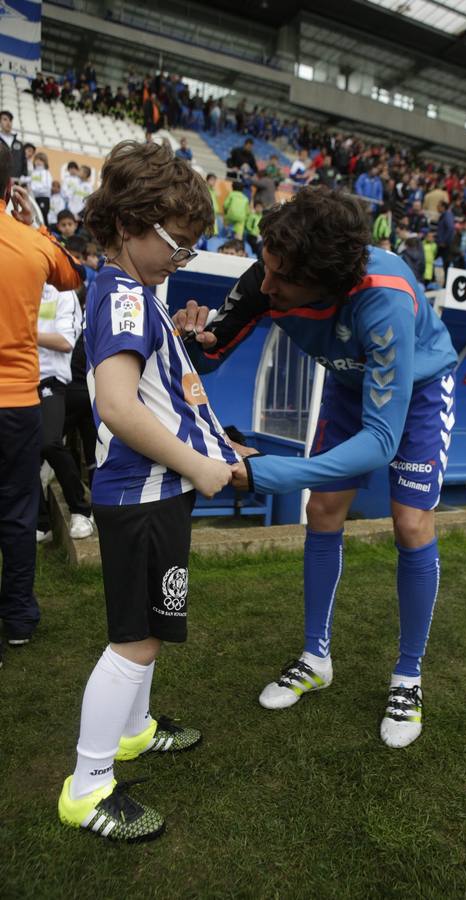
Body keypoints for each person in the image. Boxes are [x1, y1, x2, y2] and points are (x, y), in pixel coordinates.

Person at [178, 186, 458, 750]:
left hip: (420, 390)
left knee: (410, 523)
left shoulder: (383, 297)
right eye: (268, 268)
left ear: (327, 280)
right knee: (324, 508)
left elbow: (381, 440)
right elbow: (209, 354)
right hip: (350, 386)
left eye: (282, 278)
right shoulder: (271, 270)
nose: (267, 284)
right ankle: (315, 657)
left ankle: (408, 675)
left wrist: (267, 474)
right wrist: (191, 337)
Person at [57, 139, 235, 842]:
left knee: (149, 635)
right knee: (134, 641)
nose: (182, 257)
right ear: (129, 225)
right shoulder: (126, 297)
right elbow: (121, 407)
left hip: (152, 493)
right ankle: (88, 785)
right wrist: (197, 466)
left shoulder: (135, 292)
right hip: (143, 495)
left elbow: (162, 393)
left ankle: (131, 734)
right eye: (177, 243)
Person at [0, 143, 83, 651]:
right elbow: (73, 274)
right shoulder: (31, 242)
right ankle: (18, 620)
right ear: (11, 187)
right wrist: (36, 222)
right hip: (17, 402)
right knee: (16, 508)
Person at [36, 284, 94, 542]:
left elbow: (65, 342)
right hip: (24, 382)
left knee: (48, 444)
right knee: (21, 453)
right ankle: (41, 524)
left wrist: (21, 331)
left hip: (62, 386)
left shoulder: (63, 296)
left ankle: (82, 510)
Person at [29, 152, 52, 225]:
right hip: (34, 197)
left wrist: (34, 189)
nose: (38, 162)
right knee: (35, 217)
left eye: (41, 160)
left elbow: (47, 186)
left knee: (43, 217)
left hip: (43, 198)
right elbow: (30, 181)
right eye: (37, 160)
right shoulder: (33, 172)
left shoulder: (46, 172)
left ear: (45, 162)